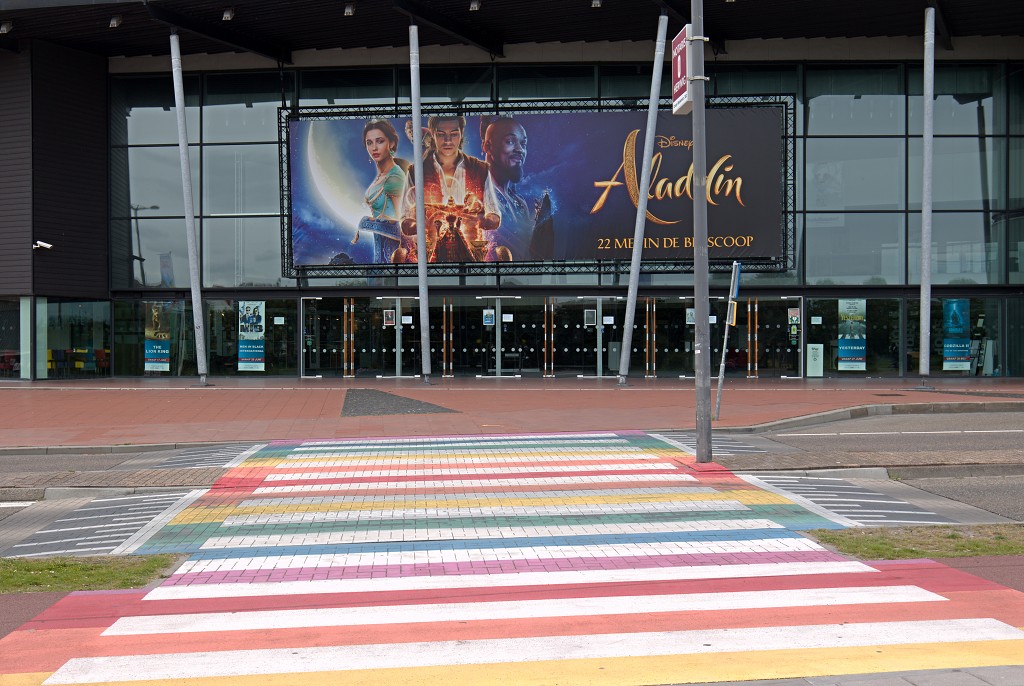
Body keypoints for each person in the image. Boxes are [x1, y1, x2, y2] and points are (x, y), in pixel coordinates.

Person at [398, 114, 500, 263]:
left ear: (461, 133)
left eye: (453, 134)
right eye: (441, 134)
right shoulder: (415, 171)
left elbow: (495, 217)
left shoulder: (480, 169)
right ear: (432, 134)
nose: (448, 141)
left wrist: (479, 221)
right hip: (430, 261)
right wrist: (421, 225)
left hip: (470, 260)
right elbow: (405, 222)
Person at [481, 115, 533, 261]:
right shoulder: (477, 195)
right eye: (510, 141)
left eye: (523, 144)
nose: (520, 150)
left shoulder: (520, 203)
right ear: (487, 146)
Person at [360, 119, 406, 264]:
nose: (374, 148)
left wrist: (366, 223)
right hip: (379, 249)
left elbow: (402, 223)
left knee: (386, 284)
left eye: (379, 141)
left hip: (391, 253)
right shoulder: (382, 175)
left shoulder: (394, 176)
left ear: (391, 143)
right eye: (369, 143)